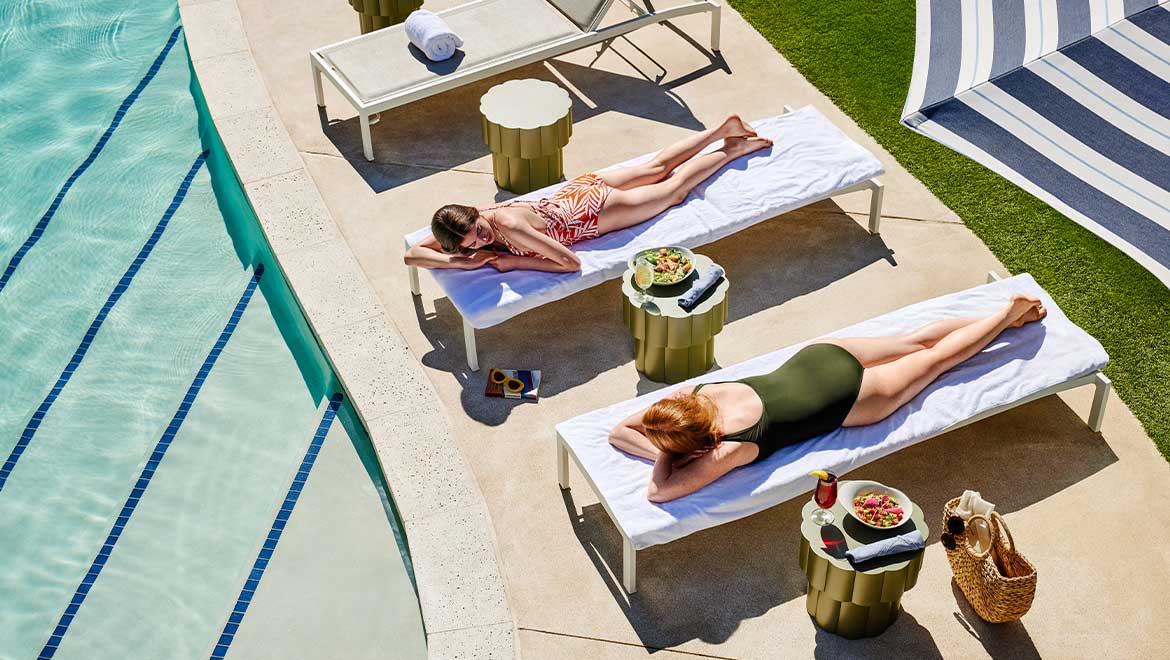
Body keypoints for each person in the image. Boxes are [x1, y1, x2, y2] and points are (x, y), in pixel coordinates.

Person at [608, 295, 1049, 503]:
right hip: (819, 358)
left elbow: (659, 492)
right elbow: (621, 430)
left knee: (937, 361)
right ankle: (1004, 316)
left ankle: (1003, 319)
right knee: (914, 341)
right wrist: (666, 439)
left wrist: (666, 455)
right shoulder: (698, 393)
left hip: (853, 400)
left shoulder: (731, 448)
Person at [403, 115, 772, 273]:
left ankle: (733, 149)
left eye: (480, 231)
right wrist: (459, 262)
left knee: (673, 190)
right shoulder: (464, 222)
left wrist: (514, 263)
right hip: (576, 191)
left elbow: (570, 263)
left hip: (594, 213)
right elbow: (412, 255)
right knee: (657, 167)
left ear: (475, 217)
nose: (481, 240)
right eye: (471, 242)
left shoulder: (509, 227)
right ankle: (722, 129)